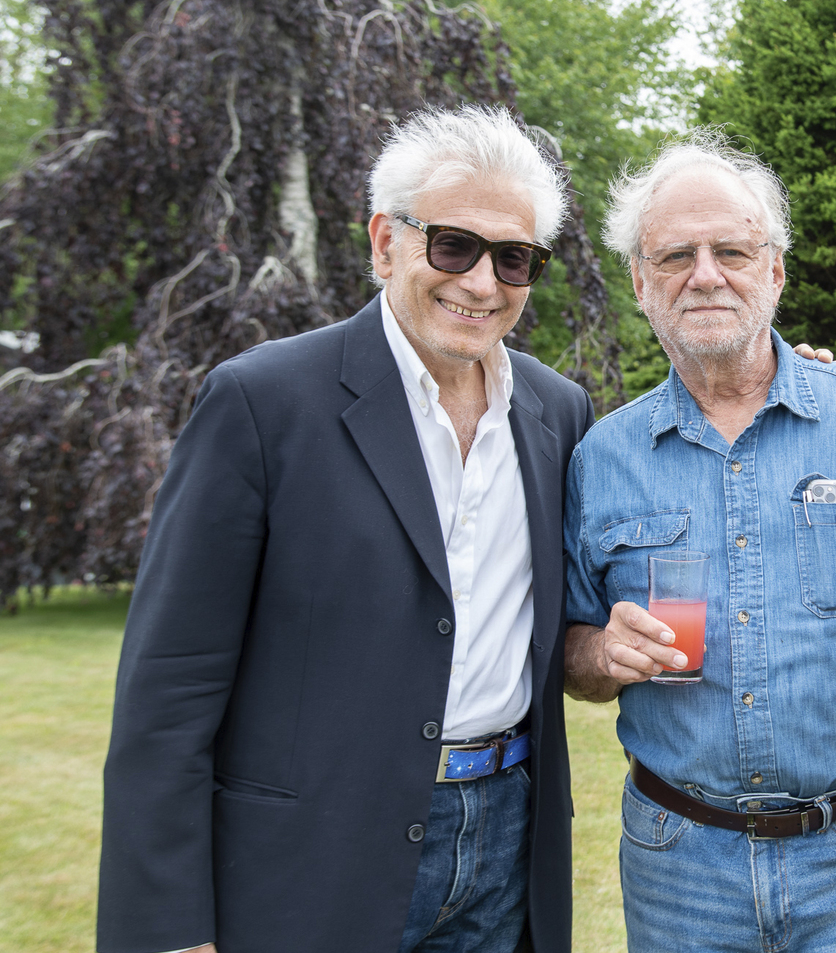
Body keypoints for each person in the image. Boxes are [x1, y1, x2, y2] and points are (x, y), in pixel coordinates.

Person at [97, 106, 594, 953]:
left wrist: (783, 381)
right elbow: (169, 688)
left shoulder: (559, 413)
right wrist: (168, 929)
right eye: (452, 245)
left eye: (514, 258)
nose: (481, 282)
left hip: (508, 842)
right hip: (313, 860)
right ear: (383, 242)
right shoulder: (261, 402)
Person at [561, 129, 836, 953]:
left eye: (732, 250)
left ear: (774, 269)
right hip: (680, 874)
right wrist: (602, 653)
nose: (704, 274)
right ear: (638, 280)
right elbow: (569, 652)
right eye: (673, 256)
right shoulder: (601, 459)